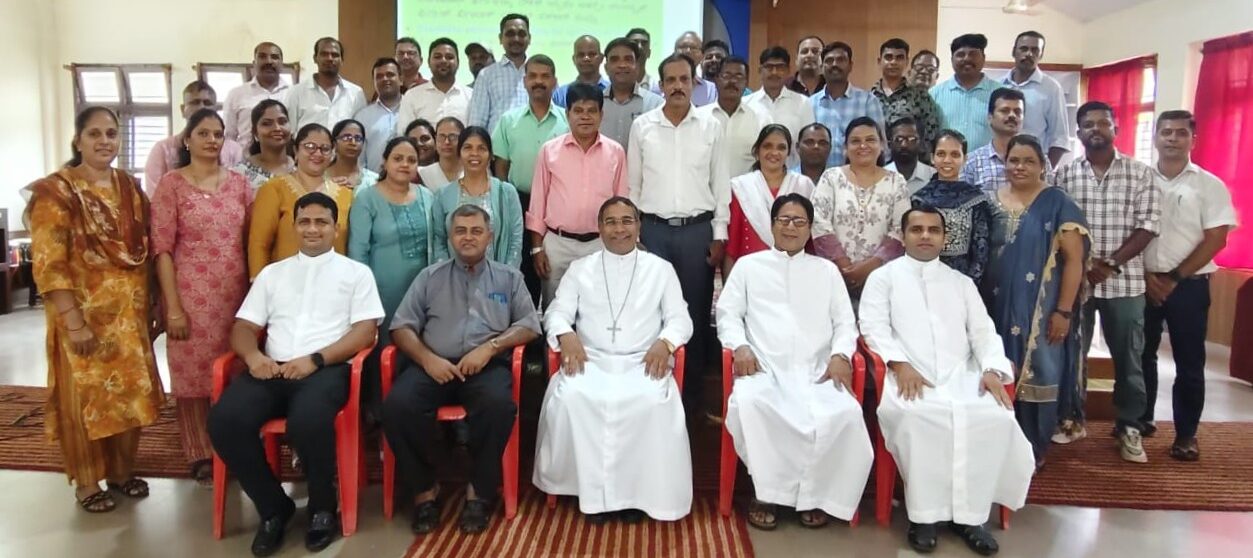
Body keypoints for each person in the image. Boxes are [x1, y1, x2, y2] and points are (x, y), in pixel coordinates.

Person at [208, 192, 383, 555]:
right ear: (294, 227)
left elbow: (365, 332)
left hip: (325, 369)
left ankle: (322, 508)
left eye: (321, 222)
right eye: (305, 221)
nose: (312, 229)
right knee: (224, 421)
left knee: (308, 421)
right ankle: (274, 508)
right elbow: (243, 327)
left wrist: (316, 360)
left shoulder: (356, 274)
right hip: (270, 369)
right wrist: (253, 357)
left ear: (336, 228)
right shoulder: (273, 274)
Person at [861, 206, 1035, 556]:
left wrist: (991, 369)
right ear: (904, 235)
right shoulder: (883, 278)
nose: (925, 236)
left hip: (962, 374)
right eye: (917, 229)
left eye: (934, 230)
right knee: (918, 418)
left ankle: (970, 518)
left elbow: (983, 332)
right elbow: (872, 326)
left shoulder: (961, 283)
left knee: (994, 417)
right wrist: (899, 363)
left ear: (945, 238)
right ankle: (923, 517)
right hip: (909, 376)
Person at [27, 106, 163, 513]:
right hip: (82, 319)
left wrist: (153, 302)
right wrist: (72, 321)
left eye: (111, 133)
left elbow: (146, 247)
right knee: (84, 401)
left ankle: (121, 472)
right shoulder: (56, 192)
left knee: (129, 397)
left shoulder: (129, 187)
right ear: (78, 140)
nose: (105, 141)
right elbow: (49, 264)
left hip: (128, 317)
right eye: (94, 134)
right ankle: (87, 482)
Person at [382, 204, 541, 535]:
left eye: (476, 231)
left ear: (490, 236)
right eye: (461, 231)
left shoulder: (509, 278)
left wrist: (491, 347)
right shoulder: (430, 277)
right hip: (433, 365)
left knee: (498, 407)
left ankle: (479, 493)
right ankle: (425, 491)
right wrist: (427, 359)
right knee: (397, 406)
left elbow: (530, 324)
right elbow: (401, 326)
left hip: (485, 366)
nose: (468, 237)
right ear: (450, 237)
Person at [534, 196, 693, 523]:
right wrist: (566, 335)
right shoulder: (581, 268)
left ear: (638, 226)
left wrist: (665, 343)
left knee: (651, 402)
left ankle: (636, 496)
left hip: (642, 362)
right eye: (611, 222)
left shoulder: (660, 269)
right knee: (571, 397)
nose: (619, 229)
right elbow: (557, 311)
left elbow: (680, 318)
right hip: (591, 360)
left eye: (626, 221)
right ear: (599, 228)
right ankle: (589, 492)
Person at [717, 193, 871, 530]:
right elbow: (728, 314)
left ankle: (815, 495)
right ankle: (766, 493)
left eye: (799, 221)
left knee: (844, 413)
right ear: (772, 224)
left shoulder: (826, 271)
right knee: (753, 404)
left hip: (817, 369)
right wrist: (740, 347)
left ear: (810, 228)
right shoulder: (748, 266)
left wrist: (840, 355)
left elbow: (845, 322)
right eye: (784, 220)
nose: (790, 227)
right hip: (764, 367)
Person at [151, 108, 253, 486]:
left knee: (234, 370)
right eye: (204, 133)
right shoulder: (172, 185)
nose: (212, 140)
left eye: (218, 134)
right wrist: (173, 307)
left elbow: (250, 241)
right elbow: (162, 249)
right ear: (187, 140)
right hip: (189, 296)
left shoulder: (240, 184)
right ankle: (199, 453)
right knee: (192, 378)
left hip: (234, 294)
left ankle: (233, 446)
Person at [1054, 101, 1160, 462]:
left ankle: (1129, 426)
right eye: (1088, 124)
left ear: (1116, 129)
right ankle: (1072, 418)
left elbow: (1148, 226)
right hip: (1076, 283)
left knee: (1129, 359)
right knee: (1073, 356)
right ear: (1079, 133)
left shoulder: (1140, 173)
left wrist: (1111, 263)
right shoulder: (1065, 175)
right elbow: (1057, 226)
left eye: (1103, 123)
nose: (1096, 129)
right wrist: (1084, 265)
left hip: (1125, 284)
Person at [628, 52, 730, 410]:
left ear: (693, 83)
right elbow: (633, 186)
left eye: (684, 79)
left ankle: (691, 400)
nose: (677, 86)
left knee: (695, 313)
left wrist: (719, 235)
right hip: (653, 232)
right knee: (652, 311)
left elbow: (720, 184)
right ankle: (654, 394)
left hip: (696, 232)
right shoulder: (642, 126)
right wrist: (635, 233)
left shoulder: (711, 127)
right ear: (660, 85)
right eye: (670, 80)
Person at [986, 134, 1088, 467]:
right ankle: (998, 443)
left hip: (1041, 308)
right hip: (994, 304)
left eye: (1029, 161)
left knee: (1040, 369)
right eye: (1014, 160)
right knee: (998, 365)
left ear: (1043, 166)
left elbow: (1074, 261)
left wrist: (1063, 311)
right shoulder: (990, 202)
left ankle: (1033, 446)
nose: (1020, 167)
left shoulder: (1058, 204)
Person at [1141, 110, 1236, 461]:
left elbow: (1216, 239)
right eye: (1166, 132)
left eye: (1181, 133)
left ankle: (1186, 434)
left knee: (1189, 362)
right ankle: (1141, 420)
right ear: (1155, 138)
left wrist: (1174, 278)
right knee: (1141, 356)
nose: (1172, 138)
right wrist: (1147, 276)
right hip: (1143, 282)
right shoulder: (1140, 179)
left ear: (1193, 140)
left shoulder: (1209, 185)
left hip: (1189, 286)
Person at [349, 137, 437, 420]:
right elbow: (358, 253)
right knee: (384, 353)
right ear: (384, 162)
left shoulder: (427, 196)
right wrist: (363, 298)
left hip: (423, 292)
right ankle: (382, 415)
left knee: (424, 348)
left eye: (411, 160)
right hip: (382, 293)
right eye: (398, 158)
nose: (405, 164)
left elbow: (437, 243)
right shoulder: (367, 199)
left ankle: (421, 415)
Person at [528, 83, 628, 307]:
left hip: (599, 244)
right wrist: (537, 248)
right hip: (558, 245)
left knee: (598, 308)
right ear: (567, 113)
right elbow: (537, 203)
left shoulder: (616, 152)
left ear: (601, 115)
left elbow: (622, 202)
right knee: (556, 310)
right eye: (578, 111)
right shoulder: (549, 151)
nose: (585, 117)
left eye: (591, 111)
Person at [492, 55, 570, 301]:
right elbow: (501, 166)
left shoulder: (567, 121)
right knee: (523, 270)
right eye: (533, 76)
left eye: (545, 76)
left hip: (557, 206)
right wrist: (508, 201)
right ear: (525, 81)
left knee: (553, 272)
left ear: (555, 82)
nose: (539, 81)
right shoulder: (508, 120)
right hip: (519, 203)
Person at [811, 117, 908, 299]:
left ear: (882, 145)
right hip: (834, 276)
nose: (863, 146)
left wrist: (870, 267)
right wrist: (844, 267)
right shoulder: (831, 178)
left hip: (882, 279)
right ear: (845, 148)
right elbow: (819, 222)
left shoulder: (896, 181)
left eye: (870, 140)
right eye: (855, 141)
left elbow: (901, 228)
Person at [248, 123, 353, 279]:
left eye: (325, 149)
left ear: (332, 154)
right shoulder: (274, 189)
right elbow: (259, 244)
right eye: (310, 146)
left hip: (333, 282)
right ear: (296, 151)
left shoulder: (345, 194)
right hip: (285, 282)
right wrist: (259, 283)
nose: (317, 153)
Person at [726, 124, 815, 273]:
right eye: (768, 146)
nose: (774, 152)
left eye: (781, 148)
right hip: (751, 271)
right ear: (757, 151)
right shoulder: (741, 187)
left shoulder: (803, 185)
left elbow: (812, 239)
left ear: (788, 153)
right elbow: (732, 245)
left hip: (795, 269)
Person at [432, 126, 524, 266]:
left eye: (481, 148)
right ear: (459, 153)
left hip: (499, 275)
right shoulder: (443, 195)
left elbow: (515, 240)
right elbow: (439, 242)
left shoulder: (506, 192)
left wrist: (506, 275)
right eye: (468, 148)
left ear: (491, 155)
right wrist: (448, 275)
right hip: (453, 276)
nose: (474, 153)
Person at [911, 129, 993, 284]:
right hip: (924, 280)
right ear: (932, 158)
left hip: (963, 281)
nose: (947, 160)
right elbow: (913, 247)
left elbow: (981, 251)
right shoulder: (919, 199)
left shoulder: (976, 199)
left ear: (965, 159)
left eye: (955, 154)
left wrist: (968, 286)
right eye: (941, 154)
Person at [144, 81, 244, 193]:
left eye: (207, 103)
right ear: (183, 110)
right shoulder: (162, 149)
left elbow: (240, 192)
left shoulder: (234, 150)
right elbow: (155, 196)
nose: (201, 107)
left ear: (216, 109)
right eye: (195, 103)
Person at [809, 42, 886, 168]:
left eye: (840, 60)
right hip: (820, 176)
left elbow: (880, 146)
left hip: (858, 176)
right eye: (829, 61)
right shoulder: (810, 103)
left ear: (850, 66)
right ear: (822, 67)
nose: (835, 64)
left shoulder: (868, 101)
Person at [1000, 31, 1070, 167]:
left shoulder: (1051, 88)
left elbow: (1059, 138)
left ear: (1041, 55)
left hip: (1033, 167)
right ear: (1014, 52)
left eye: (1035, 50)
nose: (1029, 54)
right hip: (998, 164)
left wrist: (1044, 171)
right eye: (1024, 49)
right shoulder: (998, 85)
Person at [702, 56, 773, 177]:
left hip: (746, 188)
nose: (732, 81)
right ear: (717, 80)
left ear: (746, 82)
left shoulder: (761, 118)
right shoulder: (700, 117)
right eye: (727, 76)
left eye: (739, 77)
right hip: (705, 188)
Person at [871, 39, 942, 159]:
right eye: (888, 57)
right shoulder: (869, 97)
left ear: (906, 62)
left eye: (899, 58)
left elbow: (931, 137)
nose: (893, 62)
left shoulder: (921, 97)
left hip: (909, 163)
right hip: (876, 163)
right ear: (879, 61)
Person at [747, 46, 814, 169]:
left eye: (780, 67)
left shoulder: (803, 103)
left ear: (788, 71)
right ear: (760, 70)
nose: (774, 72)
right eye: (769, 67)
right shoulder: (746, 104)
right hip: (752, 174)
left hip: (791, 175)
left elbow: (807, 143)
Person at [930, 34, 1000, 151]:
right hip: (946, 161)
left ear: (983, 58)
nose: (967, 59)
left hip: (987, 162)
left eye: (973, 54)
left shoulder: (1000, 94)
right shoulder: (934, 94)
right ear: (952, 59)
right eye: (960, 54)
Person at [468, 13, 531, 132]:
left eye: (521, 34)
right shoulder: (486, 75)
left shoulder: (541, 74)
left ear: (529, 38)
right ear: (500, 38)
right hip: (497, 143)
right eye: (510, 34)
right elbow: (477, 122)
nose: (516, 39)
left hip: (535, 142)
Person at [287, 37, 366, 130]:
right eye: (324, 54)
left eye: (335, 55)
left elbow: (360, 130)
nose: (329, 58)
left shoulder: (356, 93)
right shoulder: (296, 92)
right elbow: (290, 130)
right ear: (315, 58)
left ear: (342, 60)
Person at [397, 37, 473, 134]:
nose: (443, 61)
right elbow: (404, 134)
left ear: (458, 63)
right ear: (428, 62)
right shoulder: (412, 96)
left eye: (449, 57)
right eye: (437, 57)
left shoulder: (471, 96)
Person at [224, 42, 291, 150]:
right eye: (262, 56)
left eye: (274, 57)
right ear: (254, 63)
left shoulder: (293, 93)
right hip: (245, 157)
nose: (269, 61)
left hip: (284, 156)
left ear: (281, 64)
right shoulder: (236, 94)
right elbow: (229, 137)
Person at [600, 37, 664, 149]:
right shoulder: (595, 103)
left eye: (628, 59)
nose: (622, 65)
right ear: (606, 68)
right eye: (615, 60)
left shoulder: (656, 104)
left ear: (637, 66)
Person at [961, 88, 1029, 193]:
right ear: (990, 117)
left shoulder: (1038, 160)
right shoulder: (972, 162)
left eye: (1017, 112)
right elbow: (963, 201)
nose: (1012, 115)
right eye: (1005, 111)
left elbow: (1051, 199)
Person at [233, 100, 295, 190]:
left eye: (282, 122)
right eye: (267, 124)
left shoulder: (302, 167)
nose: (277, 128)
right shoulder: (240, 173)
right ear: (255, 132)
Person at [355, 58, 401, 172]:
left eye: (390, 75)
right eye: (379, 76)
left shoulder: (413, 110)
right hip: (374, 179)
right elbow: (358, 158)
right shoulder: (362, 117)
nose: (385, 79)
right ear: (374, 82)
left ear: (401, 79)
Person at [654, 31, 717, 106]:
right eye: (683, 47)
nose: (688, 51)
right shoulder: (656, 88)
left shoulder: (711, 90)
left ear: (702, 56)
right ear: (674, 51)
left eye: (693, 48)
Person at [553, 35, 609, 108]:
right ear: (574, 59)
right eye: (581, 55)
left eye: (591, 54)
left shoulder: (612, 90)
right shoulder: (560, 94)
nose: (586, 58)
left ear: (601, 58)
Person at [885, 116, 936, 194]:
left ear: (921, 143)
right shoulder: (879, 178)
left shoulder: (933, 176)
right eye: (898, 139)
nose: (904, 145)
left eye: (911, 139)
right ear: (889, 144)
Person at [325, 119, 379, 193]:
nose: (353, 143)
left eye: (358, 138)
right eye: (346, 138)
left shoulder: (374, 180)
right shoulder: (319, 176)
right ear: (334, 143)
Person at [417, 116, 464, 189]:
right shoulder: (423, 174)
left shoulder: (473, 172)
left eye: (452, 137)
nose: (447, 142)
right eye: (442, 136)